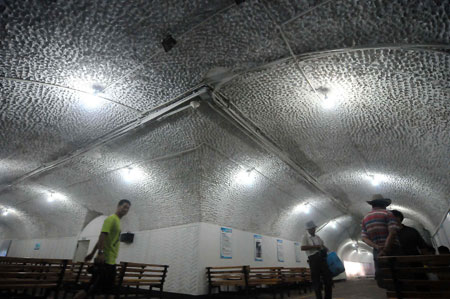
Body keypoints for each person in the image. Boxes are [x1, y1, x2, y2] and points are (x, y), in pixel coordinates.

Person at [74, 199, 131, 299]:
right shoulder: (111, 219)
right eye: (124, 206)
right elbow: (102, 235)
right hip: (105, 261)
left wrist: (92, 253)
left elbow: (103, 239)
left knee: (105, 290)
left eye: (128, 208)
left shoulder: (118, 222)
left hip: (111, 262)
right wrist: (100, 253)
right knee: (92, 289)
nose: (126, 209)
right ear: (118, 206)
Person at [361, 194, 401, 288]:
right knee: (400, 277)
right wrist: (385, 249)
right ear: (383, 204)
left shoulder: (365, 218)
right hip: (392, 249)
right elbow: (392, 232)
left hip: (377, 251)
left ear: (372, 205)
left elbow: (364, 238)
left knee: (385, 280)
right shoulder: (388, 214)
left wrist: (377, 247)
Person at [301, 220, 332, 299]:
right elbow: (302, 247)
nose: (312, 230)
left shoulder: (318, 237)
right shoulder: (305, 237)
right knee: (316, 281)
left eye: (313, 228)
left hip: (322, 258)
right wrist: (315, 247)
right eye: (311, 228)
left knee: (328, 280)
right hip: (313, 259)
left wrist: (325, 249)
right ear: (308, 229)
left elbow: (322, 245)